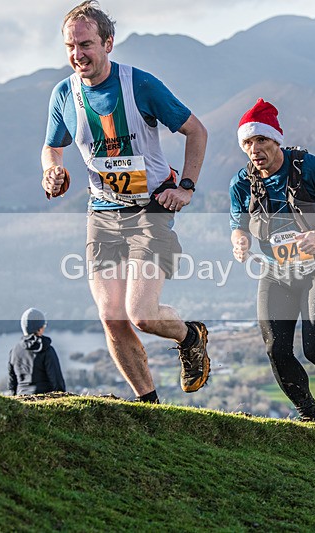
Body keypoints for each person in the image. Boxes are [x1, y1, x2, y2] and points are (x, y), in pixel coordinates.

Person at [41, 1, 210, 402]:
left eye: (85, 44)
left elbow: (196, 131)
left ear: (108, 43)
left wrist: (186, 187)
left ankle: (190, 337)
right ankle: (148, 404)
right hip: (102, 213)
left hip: (151, 209)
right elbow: (51, 148)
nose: (77, 54)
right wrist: (52, 172)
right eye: (70, 46)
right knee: (111, 316)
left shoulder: (140, 85)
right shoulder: (64, 94)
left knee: (142, 314)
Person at [229, 98, 315, 422]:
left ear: (276, 139)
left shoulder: (310, 168)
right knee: (276, 349)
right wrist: (240, 240)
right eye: (247, 142)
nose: (254, 149)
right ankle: (310, 417)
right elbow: (237, 225)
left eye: (260, 140)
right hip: (276, 273)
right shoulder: (241, 183)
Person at [8, 308, 66, 396]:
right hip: (44, 402)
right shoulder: (46, 349)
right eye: (44, 325)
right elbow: (57, 383)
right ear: (39, 329)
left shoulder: (14, 351)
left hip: (21, 401)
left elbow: (12, 383)